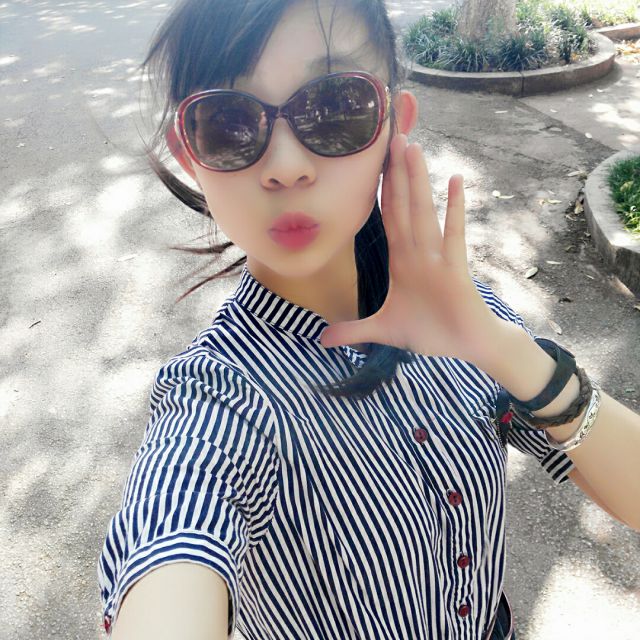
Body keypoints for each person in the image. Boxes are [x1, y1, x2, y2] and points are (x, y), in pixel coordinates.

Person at [96, 1, 640, 638]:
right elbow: (171, 537)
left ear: (393, 125)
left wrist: (503, 349)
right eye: (228, 123)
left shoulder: (462, 317)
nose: (286, 167)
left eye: (333, 107)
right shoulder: (219, 400)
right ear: (190, 154)